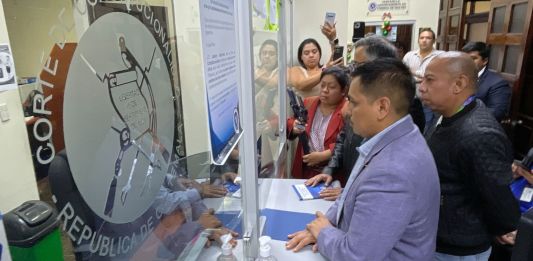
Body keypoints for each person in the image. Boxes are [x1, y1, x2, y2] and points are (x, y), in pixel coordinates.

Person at [286, 58, 440, 260]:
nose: (347, 111)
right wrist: (325, 224)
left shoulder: (392, 172)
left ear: (382, 107)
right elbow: (350, 193)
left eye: (353, 102)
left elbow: (356, 256)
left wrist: (324, 233)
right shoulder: (394, 135)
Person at [419, 51, 520, 260]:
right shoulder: (445, 114)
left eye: (429, 80)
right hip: (434, 235)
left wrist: (503, 226)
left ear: (458, 84)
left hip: (458, 246)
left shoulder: (479, 133)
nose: (421, 87)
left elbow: (495, 194)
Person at [306, 34, 426, 201]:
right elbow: (344, 136)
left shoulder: (405, 103)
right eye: (353, 64)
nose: (353, 70)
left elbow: (389, 173)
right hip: (351, 187)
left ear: (381, 64)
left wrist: (351, 193)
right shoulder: (359, 94)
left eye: (359, 65)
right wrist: (330, 170)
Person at [288, 67, 348, 183]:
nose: (325, 90)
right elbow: (298, 124)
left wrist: (325, 155)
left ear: (343, 90)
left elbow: (348, 142)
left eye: (331, 87)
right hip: (305, 170)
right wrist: (296, 127)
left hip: (332, 174)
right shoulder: (309, 102)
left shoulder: (347, 109)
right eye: (322, 85)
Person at [461, 41, 512, 122]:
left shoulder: (497, 83)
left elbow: (496, 113)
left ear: (485, 61)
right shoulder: (458, 76)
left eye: (473, 58)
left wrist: (461, 116)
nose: (468, 62)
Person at [403, 27, 444, 126]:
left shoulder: (441, 56)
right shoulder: (409, 55)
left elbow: (438, 76)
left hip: (430, 101)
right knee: (411, 127)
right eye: (422, 38)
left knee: (427, 128)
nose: (424, 40)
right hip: (412, 100)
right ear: (418, 40)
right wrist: (425, 77)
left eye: (428, 38)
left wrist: (413, 73)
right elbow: (402, 74)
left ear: (433, 40)